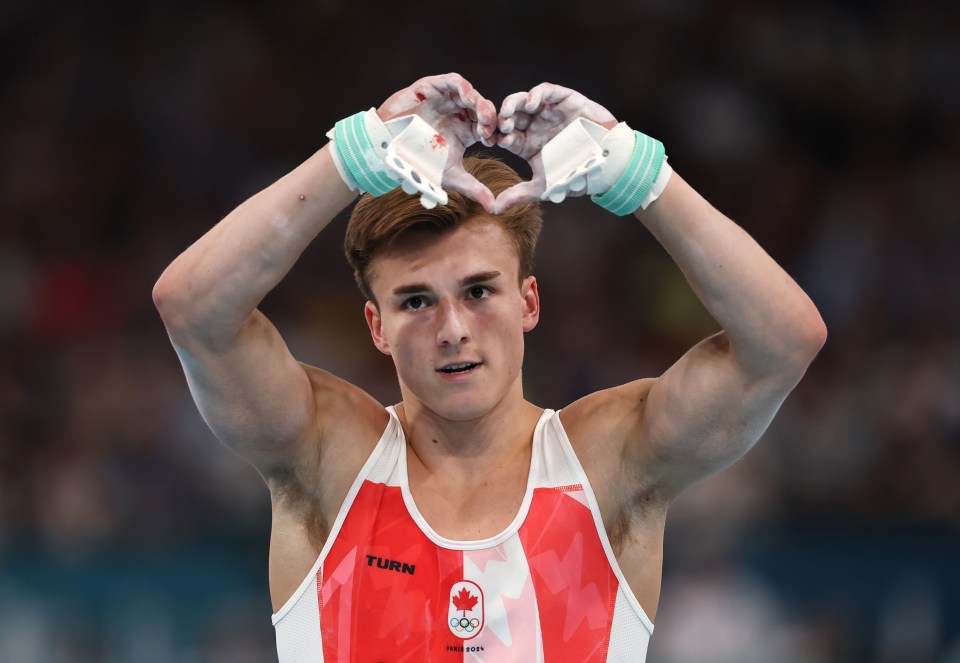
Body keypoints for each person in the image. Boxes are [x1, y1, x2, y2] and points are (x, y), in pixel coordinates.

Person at [153, 73, 826, 662]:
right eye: (416, 301)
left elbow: (784, 341)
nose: (452, 329)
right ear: (376, 327)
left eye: (478, 290)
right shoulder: (331, 458)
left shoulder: (608, 461)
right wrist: (356, 152)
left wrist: (635, 171)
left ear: (528, 300)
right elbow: (192, 309)